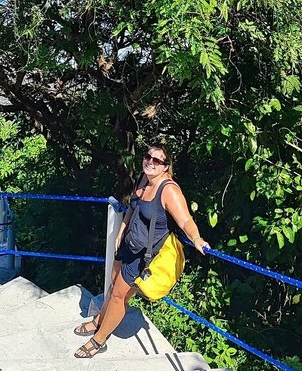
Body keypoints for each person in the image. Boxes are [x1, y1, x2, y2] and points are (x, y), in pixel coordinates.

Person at [73, 142, 210, 359]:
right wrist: (121, 231)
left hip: (143, 256)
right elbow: (132, 207)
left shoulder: (169, 190)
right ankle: (99, 320)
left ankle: (99, 340)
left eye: (157, 160)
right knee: (112, 285)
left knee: (119, 296)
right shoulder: (144, 179)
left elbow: (185, 220)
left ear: (166, 166)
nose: (150, 162)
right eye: (148, 157)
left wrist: (196, 238)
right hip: (128, 244)